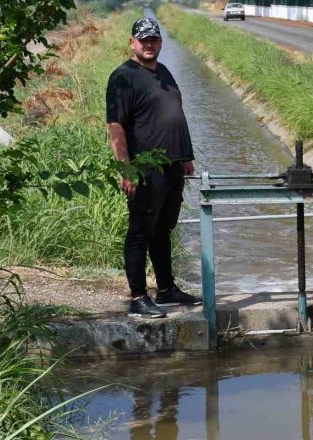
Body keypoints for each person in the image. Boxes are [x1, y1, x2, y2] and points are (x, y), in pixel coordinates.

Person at [107, 17, 203, 318]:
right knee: (140, 232)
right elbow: (116, 126)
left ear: (160, 42)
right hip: (145, 169)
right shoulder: (123, 76)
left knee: (164, 230)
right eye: (143, 39)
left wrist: (185, 157)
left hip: (173, 167)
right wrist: (126, 169)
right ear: (132, 42)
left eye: (154, 39)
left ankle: (165, 290)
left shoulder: (164, 72)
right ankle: (138, 297)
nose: (149, 44)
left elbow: (174, 112)